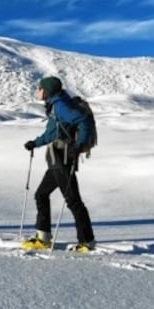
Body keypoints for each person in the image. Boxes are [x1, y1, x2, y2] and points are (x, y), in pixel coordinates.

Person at [22, 76, 96, 252]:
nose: (38, 91)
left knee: (73, 201)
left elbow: (83, 120)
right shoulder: (56, 105)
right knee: (41, 195)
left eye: (40, 88)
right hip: (56, 159)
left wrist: (78, 146)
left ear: (47, 90)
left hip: (63, 158)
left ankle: (87, 241)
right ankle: (43, 237)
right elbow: (52, 133)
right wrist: (35, 143)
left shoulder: (61, 105)